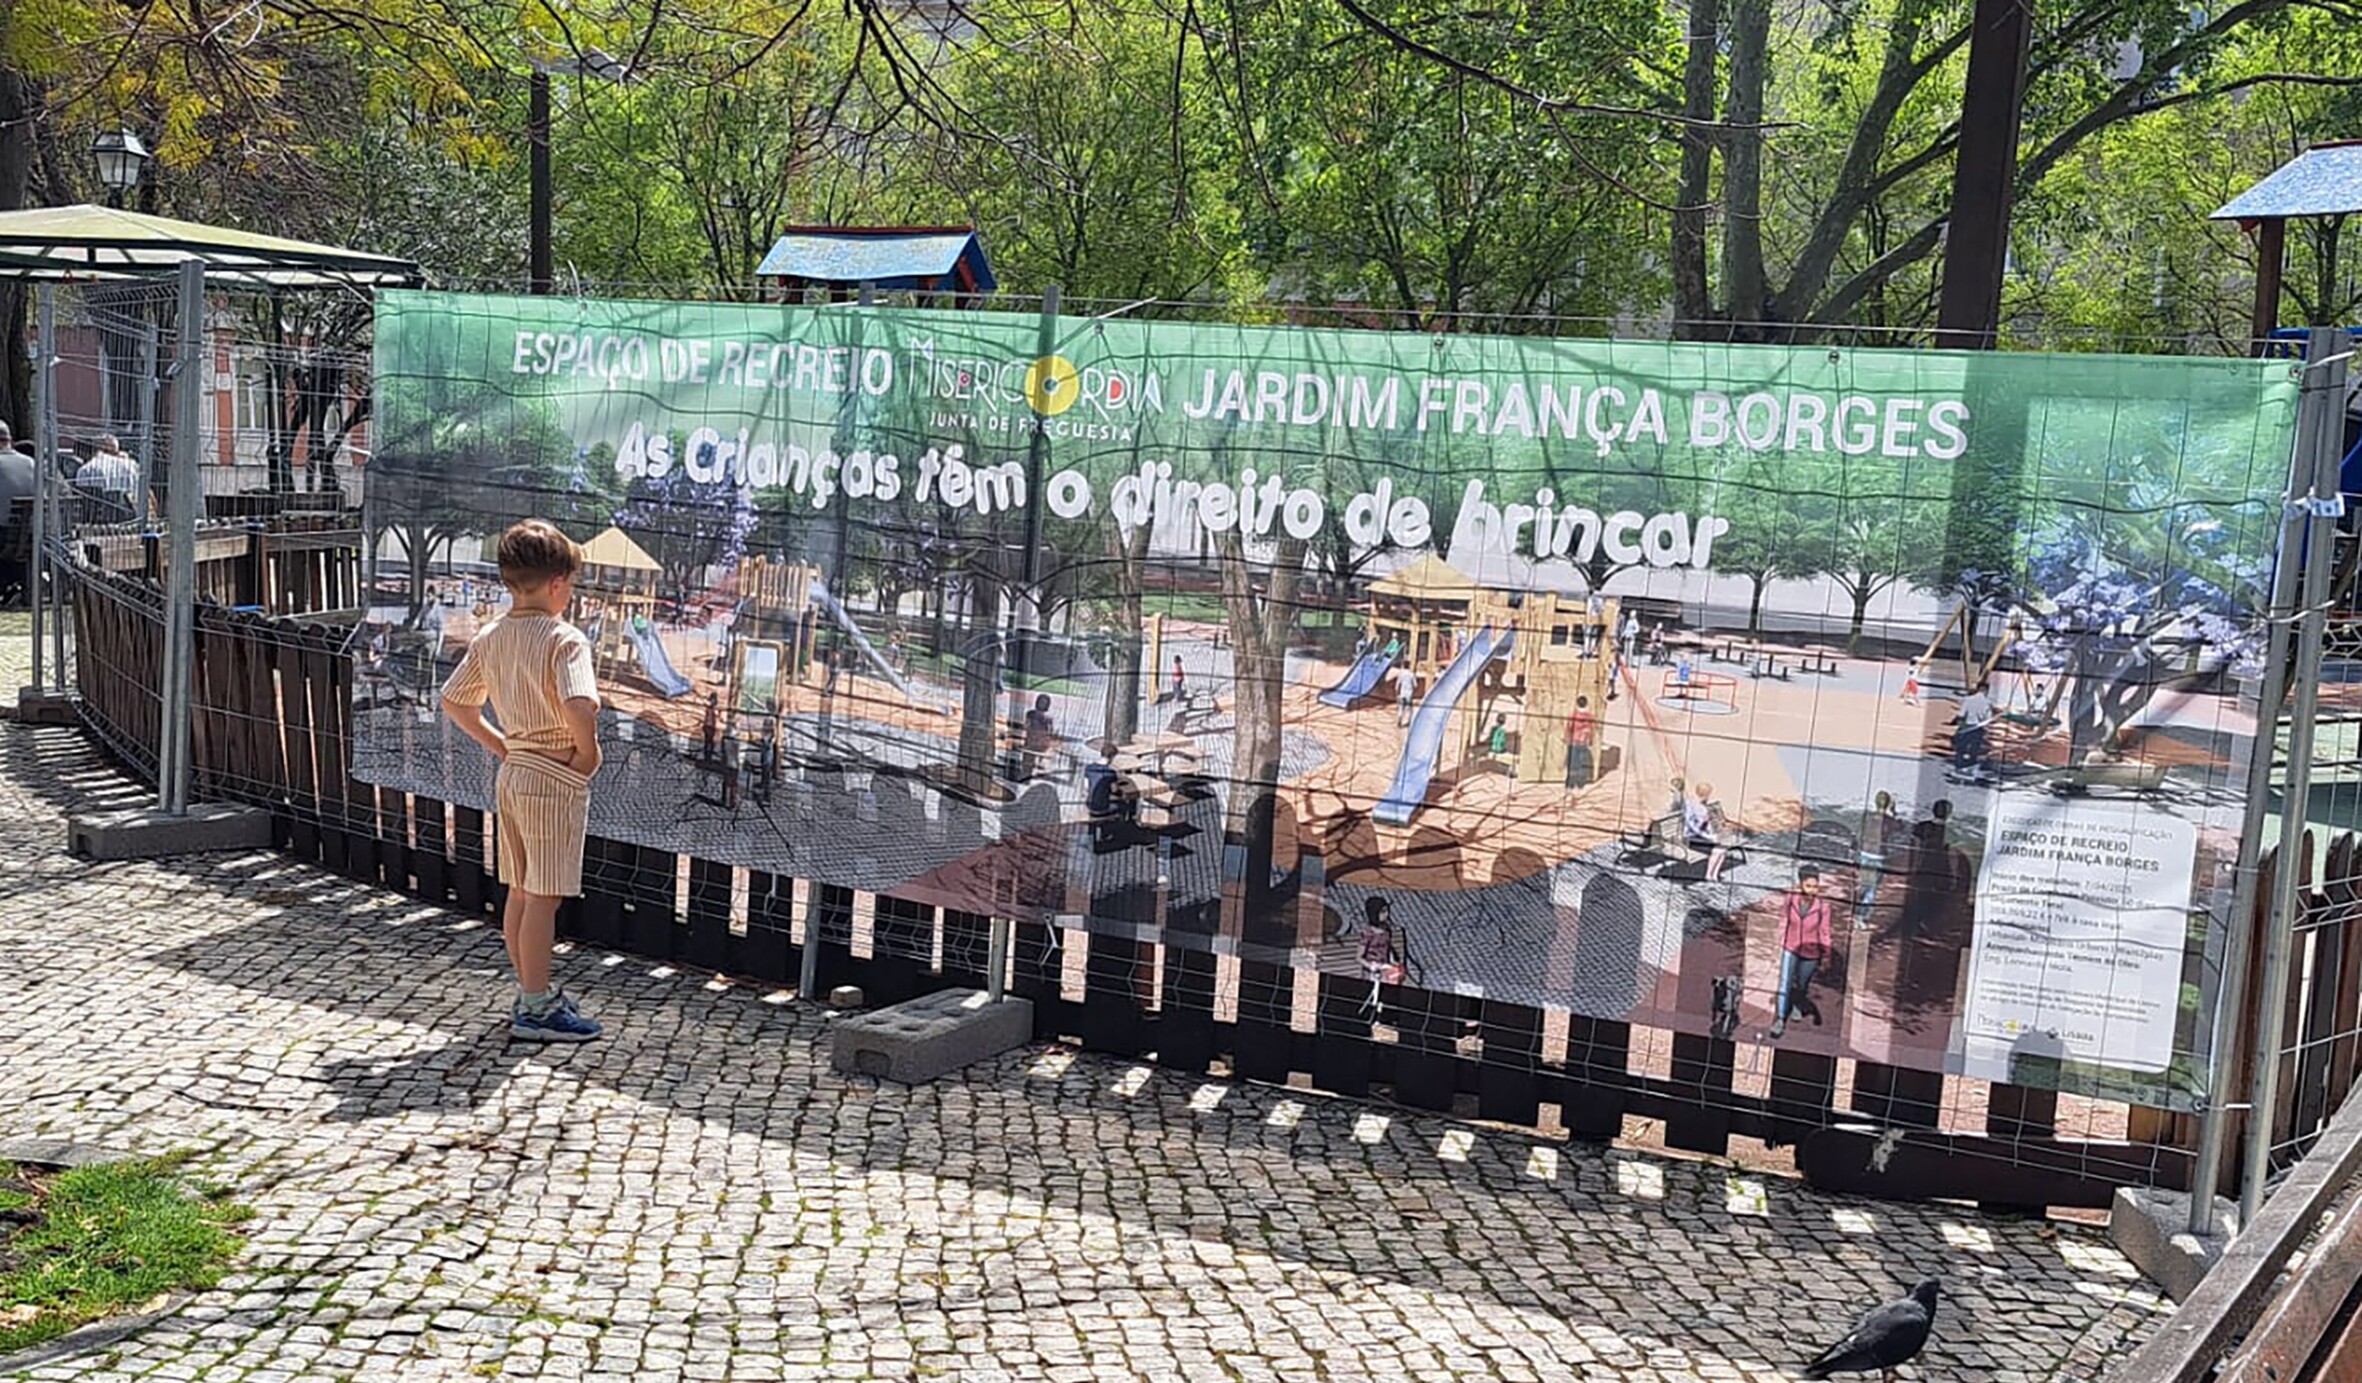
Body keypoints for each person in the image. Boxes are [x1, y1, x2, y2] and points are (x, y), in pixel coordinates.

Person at [440, 519, 606, 1043]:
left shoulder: (492, 636)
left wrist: (501, 745)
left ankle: (531, 990)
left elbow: (455, 699)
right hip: (553, 775)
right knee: (544, 897)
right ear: (559, 582)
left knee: (519, 890)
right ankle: (536, 1005)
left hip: (514, 773)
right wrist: (587, 751)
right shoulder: (565, 639)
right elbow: (580, 702)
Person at [1770, 865, 1834, 1039]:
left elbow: (1825, 931)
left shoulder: (1823, 906)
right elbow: (1784, 919)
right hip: (1790, 946)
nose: (1812, 890)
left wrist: (1826, 954)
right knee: (1784, 984)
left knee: (1802, 984)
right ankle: (1780, 1019)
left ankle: (1798, 1003)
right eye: (1808, 886)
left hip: (1811, 952)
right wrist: (1778, 942)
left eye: (1815, 886)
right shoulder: (1791, 898)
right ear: (1800, 885)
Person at [1855, 790, 1900, 929]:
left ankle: (1857, 912)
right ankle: (1862, 917)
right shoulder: (1891, 821)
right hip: (1879, 855)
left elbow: (1858, 834)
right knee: (1872, 889)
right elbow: (1900, 828)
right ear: (1887, 805)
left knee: (1863, 884)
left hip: (1864, 853)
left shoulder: (1866, 816)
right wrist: (1894, 811)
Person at [72, 433, 141, 522]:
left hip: (102, 523)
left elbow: (84, 502)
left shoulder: (87, 470)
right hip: (133, 517)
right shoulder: (132, 465)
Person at [1686, 780, 1733, 881]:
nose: (1709, 796)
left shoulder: (1705, 804)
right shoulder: (1691, 805)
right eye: (1708, 794)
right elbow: (1692, 826)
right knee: (1719, 849)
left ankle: (1714, 874)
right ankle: (1709, 874)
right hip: (1694, 836)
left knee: (1723, 848)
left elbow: (1713, 820)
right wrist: (1703, 823)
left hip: (1708, 832)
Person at [1954, 679, 1994, 773]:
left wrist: (1958, 725)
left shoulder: (1968, 699)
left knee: (1961, 747)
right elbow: (1988, 719)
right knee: (1975, 748)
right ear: (1986, 691)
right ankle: (1971, 765)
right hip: (1978, 728)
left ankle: (1959, 764)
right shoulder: (1987, 703)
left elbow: (1961, 715)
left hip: (1966, 727)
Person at [1564, 697, 1597, 788]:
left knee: (1573, 762)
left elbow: (1569, 727)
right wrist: (1590, 740)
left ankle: (1571, 783)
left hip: (1574, 741)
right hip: (1584, 742)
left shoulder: (1573, 715)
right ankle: (1581, 783)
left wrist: (1566, 737)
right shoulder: (1590, 716)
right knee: (1582, 762)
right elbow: (1591, 729)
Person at [1023, 692, 1057, 779]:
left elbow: (1050, 731)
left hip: (1041, 743)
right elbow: (1026, 726)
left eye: (1044, 703)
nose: (1042, 704)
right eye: (1041, 702)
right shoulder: (1030, 714)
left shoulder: (1048, 718)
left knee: (1041, 763)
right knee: (1027, 762)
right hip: (1030, 741)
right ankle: (1026, 775)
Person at [701, 692, 720, 762]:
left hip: (710, 726)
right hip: (709, 726)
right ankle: (707, 756)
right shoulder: (710, 708)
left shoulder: (713, 708)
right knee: (708, 742)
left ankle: (708, 756)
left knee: (710, 742)